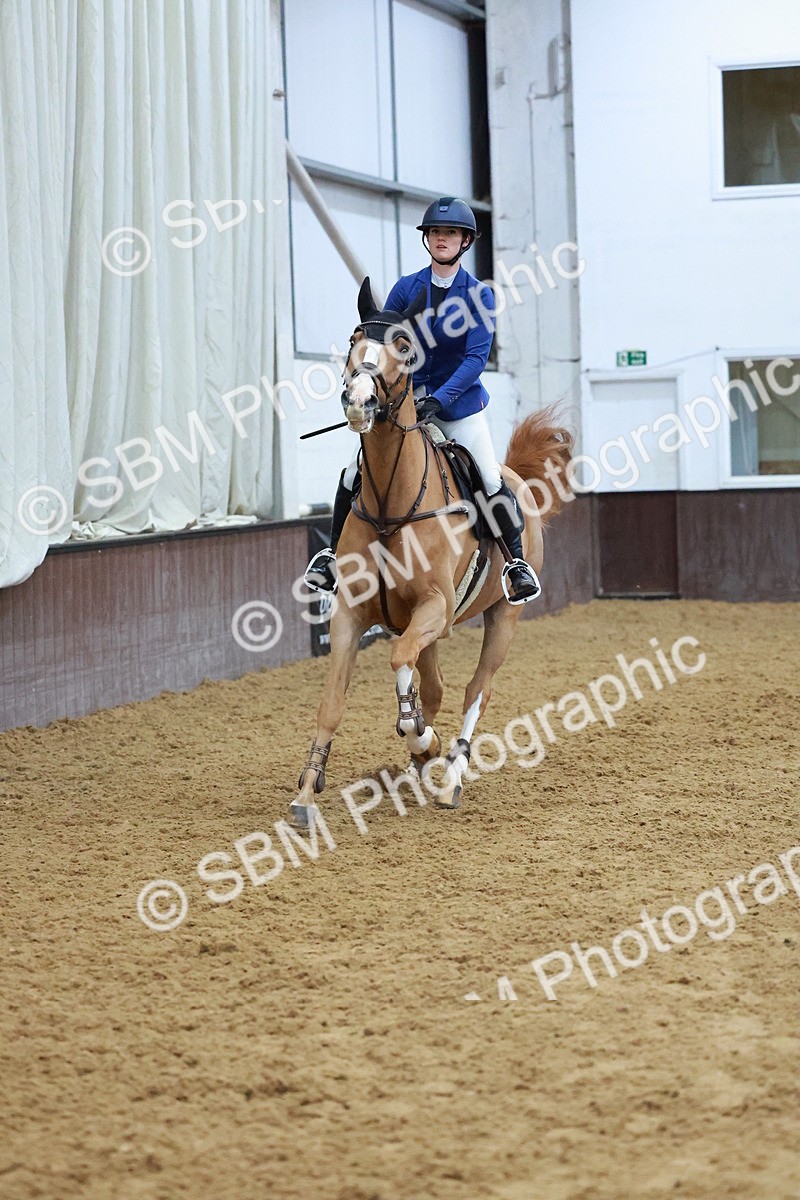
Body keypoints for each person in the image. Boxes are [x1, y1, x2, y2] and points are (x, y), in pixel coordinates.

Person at [304, 196, 541, 605]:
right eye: (435, 233)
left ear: (465, 240)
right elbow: (378, 337)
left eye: (450, 233)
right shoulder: (406, 289)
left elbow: (475, 359)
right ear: (427, 240)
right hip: (404, 407)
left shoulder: (479, 295)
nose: (441, 239)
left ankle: (515, 563)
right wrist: (372, 387)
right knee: (352, 471)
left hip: (460, 407)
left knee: (489, 476)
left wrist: (440, 398)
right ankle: (329, 558)